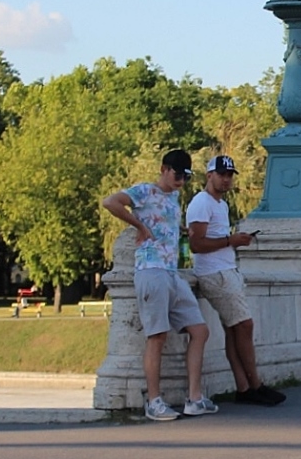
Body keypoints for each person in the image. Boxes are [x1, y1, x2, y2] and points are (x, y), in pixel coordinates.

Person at [101, 149, 217, 421]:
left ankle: (194, 398)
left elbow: (166, 224)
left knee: (199, 330)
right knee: (157, 337)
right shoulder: (144, 191)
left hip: (171, 272)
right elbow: (111, 202)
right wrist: (139, 226)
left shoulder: (175, 197)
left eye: (186, 177)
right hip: (151, 270)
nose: (181, 181)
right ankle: (154, 402)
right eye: (177, 175)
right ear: (164, 169)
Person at [186, 155, 287, 407]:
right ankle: (255, 385)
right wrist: (231, 241)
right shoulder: (201, 203)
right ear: (209, 175)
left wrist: (233, 240)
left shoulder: (220, 205)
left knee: (234, 330)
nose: (226, 179)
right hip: (215, 274)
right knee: (245, 325)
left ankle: (244, 387)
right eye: (221, 174)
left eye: (230, 174)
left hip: (226, 269)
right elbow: (196, 244)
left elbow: (213, 238)